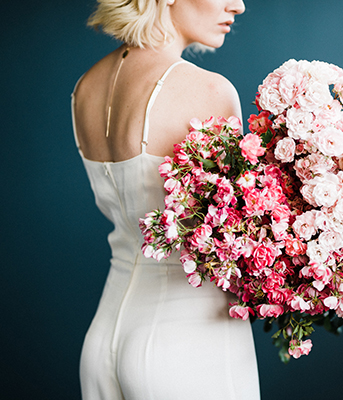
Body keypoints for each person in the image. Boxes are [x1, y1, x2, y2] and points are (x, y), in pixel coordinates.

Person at [71, 1, 260, 399]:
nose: (238, 6)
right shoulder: (210, 90)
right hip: (188, 339)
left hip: (104, 337)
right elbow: (242, 239)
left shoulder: (85, 87)